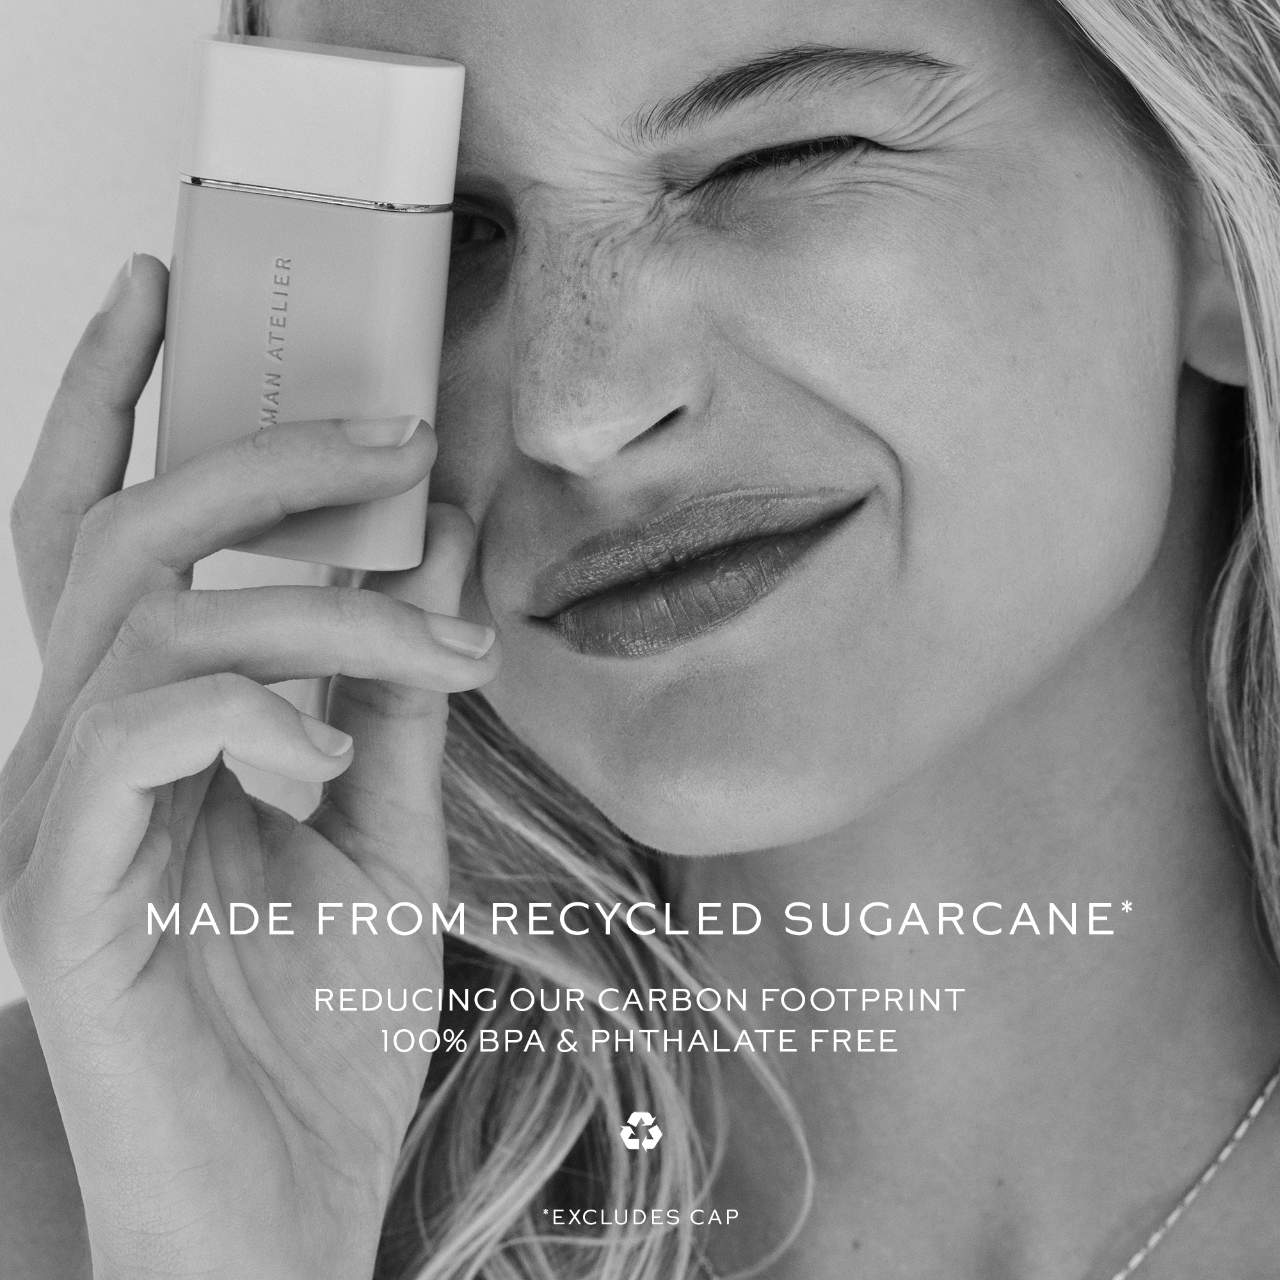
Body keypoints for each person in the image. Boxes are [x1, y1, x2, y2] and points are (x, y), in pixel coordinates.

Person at [3, 0, 1280, 1276]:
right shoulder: (100, 1192)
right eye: (443, 230)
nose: (574, 409)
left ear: (1220, 223)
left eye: (771, 159)